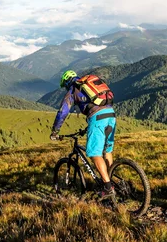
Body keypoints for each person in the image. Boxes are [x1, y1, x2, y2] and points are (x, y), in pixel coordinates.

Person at [50, 70, 117, 200]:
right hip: (111, 114)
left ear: (67, 81)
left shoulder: (73, 90)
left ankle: (108, 188)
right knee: (107, 150)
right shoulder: (87, 82)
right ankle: (110, 180)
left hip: (97, 117)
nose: (65, 88)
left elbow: (62, 112)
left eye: (65, 85)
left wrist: (55, 131)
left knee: (94, 153)